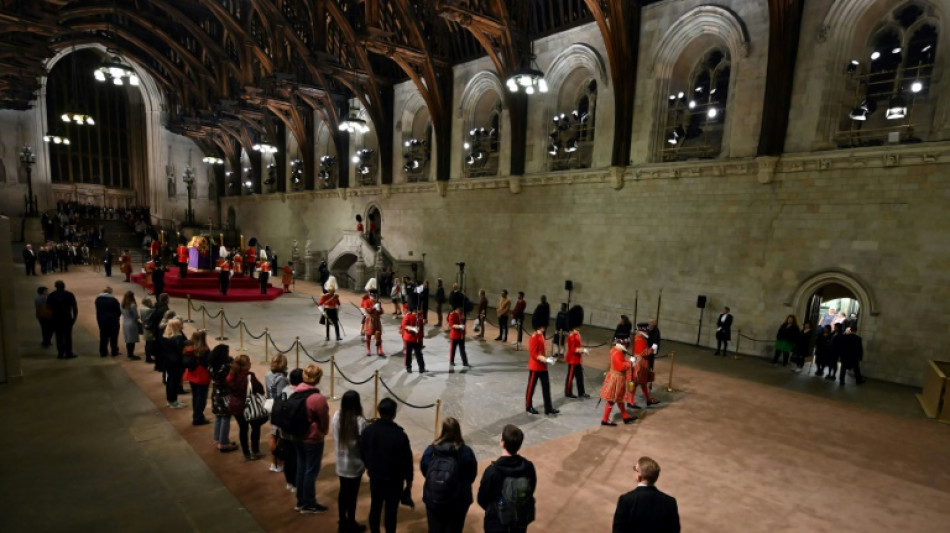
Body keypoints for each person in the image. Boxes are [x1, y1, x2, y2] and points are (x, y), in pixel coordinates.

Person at [361, 398, 414, 533]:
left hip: (376, 477)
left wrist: (369, 467)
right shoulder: (400, 435)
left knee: (375, 507)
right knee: (391, 512)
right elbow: (407, 460)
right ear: (394, 414)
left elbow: (362, 452)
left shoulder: (368, 431)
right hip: (394, 480)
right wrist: (409, 481)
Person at [420, 417, 478, 533]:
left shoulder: (431, 450)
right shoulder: (466, 452)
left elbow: (424, 469)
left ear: (443, 431)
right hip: (458, 501)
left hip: (434, 498)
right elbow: (472, 474)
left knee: (435, 529)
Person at [476, 424, 537, 533]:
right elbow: (531, 489)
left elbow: (482, 499)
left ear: (502, 443)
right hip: (519, 519)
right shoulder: (528, 467)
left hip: (497, 522)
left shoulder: (492, 471)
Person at [293, 364, 331, 514]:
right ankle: (309, 503)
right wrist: (323, 431)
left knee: (301, 467)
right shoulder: (317, 398)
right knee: (311, 471)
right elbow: (324, 419)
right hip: (312, 438)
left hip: (297, 435)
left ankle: (300, 501)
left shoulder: (296, 392)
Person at [612, 456, 680, 533]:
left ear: (639, 476)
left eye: (635, 469)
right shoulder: (670, 502)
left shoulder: (626, 500)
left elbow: (618, 530)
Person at [332, 390, 368, 533]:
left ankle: (342, 521)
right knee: (352, 496)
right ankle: (351, 523)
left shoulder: (336, 416)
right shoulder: (360, 421)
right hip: (355, 464)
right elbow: (363, 445)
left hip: (341, 462)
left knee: (343, 493)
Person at [227, 353, 266, 460]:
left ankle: (246, 453)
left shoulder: (231, 375)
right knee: (255, 427)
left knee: (243, 429)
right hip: (248, 406)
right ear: (246, 365)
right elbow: (260, 389)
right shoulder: (249, 377)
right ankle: (255, 450)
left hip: (235, 406)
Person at [210, 344, 238, 452]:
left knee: (218, 417)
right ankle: (224, 443)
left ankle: (217, 439)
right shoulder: (225, 367)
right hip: (224, 394)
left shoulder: (211, 365)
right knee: (226, 418)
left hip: (215, 393)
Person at [525, 318, 557, 415]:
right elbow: (534, 354)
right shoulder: (534, 337)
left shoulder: (541, 336)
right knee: (531, 388)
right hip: (535, 367)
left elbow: (541, 351)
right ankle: (528, 406)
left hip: (542, 367)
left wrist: (547, 359)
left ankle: (548, 408)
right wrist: (546, 359)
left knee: (546, 387)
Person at [600, 340, 636, 426]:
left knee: (619, 399)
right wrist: (630, 362)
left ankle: (625, 417)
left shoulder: (614, 350)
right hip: (617, 379)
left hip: (615, 377)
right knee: (612, 400)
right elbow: (621, 367)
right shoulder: (618, 353)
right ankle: (605, 420)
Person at [265, 355, 289, 473]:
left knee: (273, 435)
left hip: (271, 407)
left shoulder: (268, 375)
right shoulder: (282, 379)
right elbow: (282, 396)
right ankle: (277, 463)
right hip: (280, 409)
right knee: (280, 437)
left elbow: (268, 392)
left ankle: (274, 462)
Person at [183, 330, 211, 425]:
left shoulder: (189, 349)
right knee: (201, 398)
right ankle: (198, 417)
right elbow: (208, 364)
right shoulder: (205, 350)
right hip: (202, 376)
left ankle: (196, 415)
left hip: (192, 375)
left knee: (195, 397)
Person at [628, 326, 660, 409]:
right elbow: (643, 353)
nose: (647, 332)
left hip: (642, 362)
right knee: (636, 382)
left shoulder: (641, 337)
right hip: (640, 363)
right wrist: (652, 349)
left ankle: (648, 399)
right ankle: (630, 401)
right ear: (643, 331)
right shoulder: (639, 339)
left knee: (643, 383)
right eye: (646, 331)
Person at [162, 318, 188, 409]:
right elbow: (181, 351)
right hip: (176, 363)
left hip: (168, 362)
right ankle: (174, 401)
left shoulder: (166, 336)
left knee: (170, 381)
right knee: (175, 382)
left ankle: (170, 400)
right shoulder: (178, 337)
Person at [564, 319, 588, 398]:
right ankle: (568, 392)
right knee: (570, 377)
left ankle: (581, 392)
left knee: (580, 377)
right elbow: (573, 349)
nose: (578, 330)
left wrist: (582, 350)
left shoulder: (577, 335)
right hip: (572, 359)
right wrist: (583, 350)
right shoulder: (571, 337)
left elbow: (579, 346)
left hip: (577, 359)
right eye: (577, 329)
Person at [95, 286, 122, 358]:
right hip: (113, 321)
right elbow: (118, 311)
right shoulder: (114, 300)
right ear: (110, 292)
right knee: (114, 336)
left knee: (103, 336)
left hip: (101, 320)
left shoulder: (98, 300)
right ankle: (114, 351)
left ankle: (103, 352)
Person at [401, 306, 426, 373]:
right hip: (409, 338)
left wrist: (421, 336)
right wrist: (412, 328)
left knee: (419, 354)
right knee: (408, 354)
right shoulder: (408, 316)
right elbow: (404, 326)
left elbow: (421, 326)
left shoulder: (420, 316)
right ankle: (408, 367)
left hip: (417, 338)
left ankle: (421, 367)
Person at [120, 291, 142, 360]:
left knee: (128, 340)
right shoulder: (132, 305)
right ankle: (131, 355)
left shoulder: (121, 304)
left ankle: (129, 354)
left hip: (125, 322)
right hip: (132, 323)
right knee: (132, 340)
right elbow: (135, 315)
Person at [362, 292, 385, 357]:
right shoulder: (367, 301)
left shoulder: (378, 302)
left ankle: (380, 350)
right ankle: (368, 350)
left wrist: (379, 308)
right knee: (368, 335)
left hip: (377, 320)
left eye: (375, 296)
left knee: (378, 335)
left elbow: (381, 312)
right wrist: (374, 307)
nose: (374, 297)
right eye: (373, 296)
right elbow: (368, 311)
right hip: (370, 320)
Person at [140, 297, 157, 363]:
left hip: (145, 326)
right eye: (150, 301)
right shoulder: (149, 310)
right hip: (149, 328)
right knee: (149, 344)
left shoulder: (142, 308)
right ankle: (148, 358)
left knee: (147, 343)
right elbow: (153, 315)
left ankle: (148, 357)